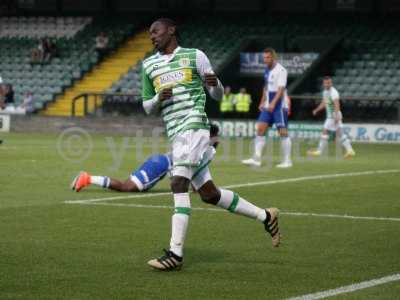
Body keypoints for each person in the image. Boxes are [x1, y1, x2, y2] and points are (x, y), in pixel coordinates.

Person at [141, 18, 281, 271]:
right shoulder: (149, 65)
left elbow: (216, 95)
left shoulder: (195, 56)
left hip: (194, 126)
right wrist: (157, 98)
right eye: (150, 33)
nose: (152, 36)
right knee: (209, 194)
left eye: (156, 31)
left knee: (177, 182)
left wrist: (215, 84)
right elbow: (146, 106)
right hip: (176, 132)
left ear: (171, 30)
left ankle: (175, 253)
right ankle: (265, 216)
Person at [71, 125, 220, 193]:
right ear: (210, 137)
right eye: (215, 137)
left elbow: (192, 170)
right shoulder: (205, 148)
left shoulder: (198, 144)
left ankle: (88, 179)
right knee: (126, 187)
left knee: (132, 188)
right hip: (160, 165)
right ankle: (87, 178)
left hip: (160, 163)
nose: (217, 140)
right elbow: (191, 170)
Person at [242, 48, 292, 168]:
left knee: (282, 132)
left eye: (267, 57)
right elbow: (266, 87)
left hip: (279, 105)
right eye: (264, 58)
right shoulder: (267, 70)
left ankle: (287, 161)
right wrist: (262, 102)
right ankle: (256, 159)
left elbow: (281, 89)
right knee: (260, 129)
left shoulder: (281, 70)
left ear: (273, 58)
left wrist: (273, 103)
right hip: (268, 105)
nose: (265, 60)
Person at [308, 76, 355, 158]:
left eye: (329, 83)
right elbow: (324, 103)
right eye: (326, 83)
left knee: (325, 131)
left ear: (331, 83)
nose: (327, 84)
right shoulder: (325, 92)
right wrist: (317, 110)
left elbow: (337, 104)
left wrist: (336, 116)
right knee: (340, 133)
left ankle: (319, 151)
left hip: (333, 115)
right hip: (332, 115)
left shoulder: (334, 92)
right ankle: (350, 150)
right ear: (323, 84)